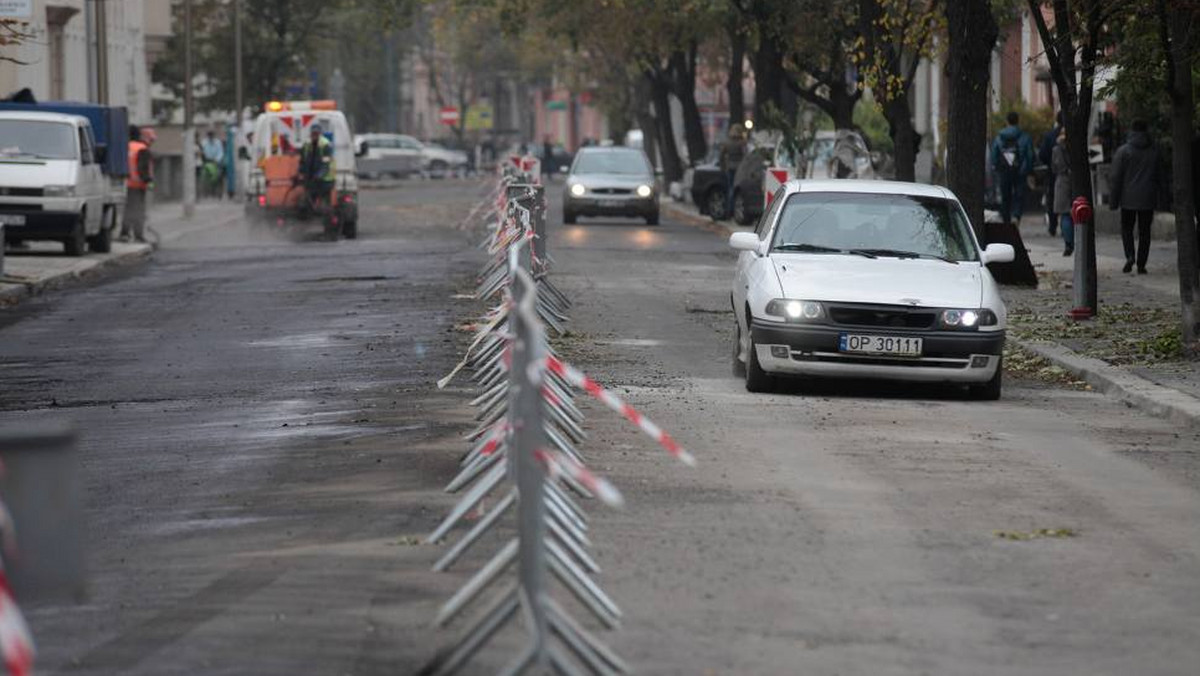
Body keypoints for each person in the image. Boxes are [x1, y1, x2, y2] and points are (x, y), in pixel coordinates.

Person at [1109, 119, 1161, 274]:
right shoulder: (1154, 151)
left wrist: (1113, 201)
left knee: (1127, 229)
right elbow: (1160, 176)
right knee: (1145, 232)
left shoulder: (1123, 151)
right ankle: (1141, 263)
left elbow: (1116, 177)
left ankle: (1130, 255)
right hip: (1147, 198)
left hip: (1127, 199)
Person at [990, 111, 1034, 227]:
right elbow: (1030, 155)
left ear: (1007, 121)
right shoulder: (1025, 136)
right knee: (1019, 195)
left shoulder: (999, 137)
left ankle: (1006, 220)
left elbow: (994, 155)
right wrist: (1028, 170)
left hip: (1004, 171)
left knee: (1005, 196)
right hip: (1020, 171)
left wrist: (996, 167)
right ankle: (1016, 216)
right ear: (1017, 121)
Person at [120, 126, 154, 243]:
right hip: (138, 184)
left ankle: (124, 233)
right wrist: (148, 181)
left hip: (126, 183)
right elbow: (143, 167)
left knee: (128, 209)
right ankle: (138, 235)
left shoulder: (126, 147)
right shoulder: (142, 149)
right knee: (138, 210)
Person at [298, 123, 335, 209]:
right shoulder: (307, 145)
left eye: (316, 133)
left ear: (320, 134)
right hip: (311, 177)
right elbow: (302, 161)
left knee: (324, 199)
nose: (314, 135)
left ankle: (325, 211)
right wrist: (301, 172)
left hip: (325, 179)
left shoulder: (325, 145)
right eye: (313, 133)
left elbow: (326, 163)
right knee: (310, 197)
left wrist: (319, 175)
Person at [1039, 112, 1064, 235]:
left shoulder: (1050, 136)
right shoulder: (1074, 134)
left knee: (1052, 197)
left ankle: (1053, 225)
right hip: (1069, 172)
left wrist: (1050, 163)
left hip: (1052, 171)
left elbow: (1042, 154)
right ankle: (1067, 227)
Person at [1051, 129, 1074, 256]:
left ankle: (1068, 243)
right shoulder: (1075, 147)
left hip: (1062, 181)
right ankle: (1077, 240)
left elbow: (1054, 167)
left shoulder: (1056, 149)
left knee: (1065, 214)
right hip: (1076, 180)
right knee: (1077, 213)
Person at [718, 124, 747, 217]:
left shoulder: (727, 142)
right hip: (739, 168)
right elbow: (746, 155)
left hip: (729, 167)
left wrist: (722, 167)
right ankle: (735, 210)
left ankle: (728, 210)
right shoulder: (742, 143)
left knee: (730, 188)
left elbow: (721, 156)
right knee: (738, 189)